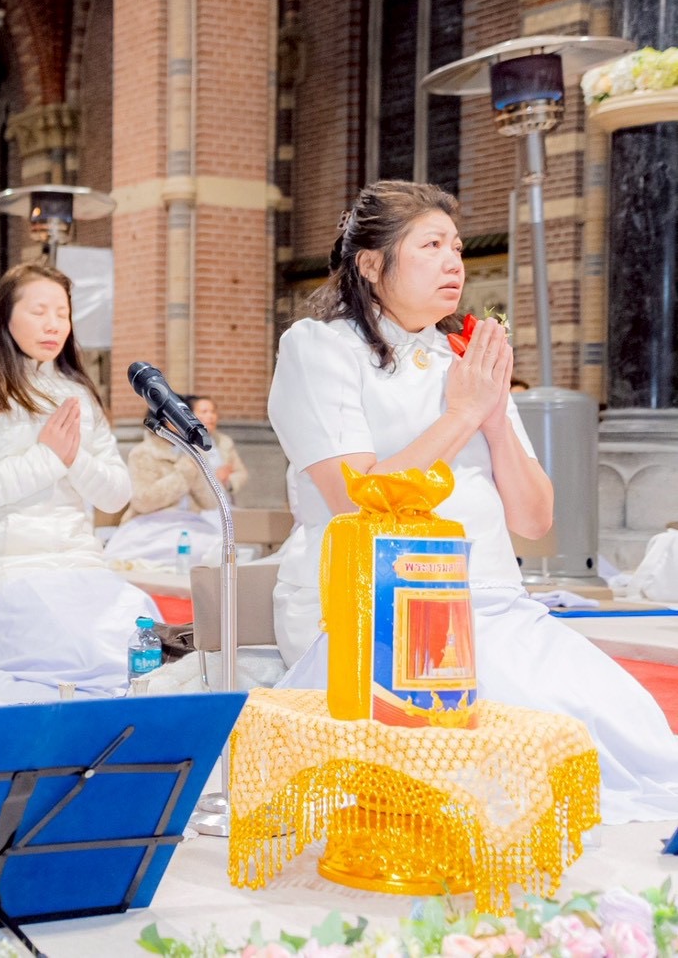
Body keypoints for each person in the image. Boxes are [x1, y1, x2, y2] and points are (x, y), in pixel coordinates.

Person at [269, 179, 678, 824]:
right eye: (431, 245)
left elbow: (535, 520)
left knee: (618, 717)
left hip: (491, 597)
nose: (453, 263)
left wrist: (493, 419)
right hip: (376, 602)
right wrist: (462, 414)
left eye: (457, 247)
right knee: (519, 729)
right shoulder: (318, 347)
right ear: (371, 264)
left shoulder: (464, 357)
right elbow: (356, 497)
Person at [0, 263, 160, 704]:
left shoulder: (78, 393)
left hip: (77, 561)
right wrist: (47, 458)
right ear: (5, 316)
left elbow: (117, 494)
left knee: (135, 622)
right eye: (39, 311)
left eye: (62, 314)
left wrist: (72, 457)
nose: (53, 325)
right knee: (61, 636)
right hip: (1, 564)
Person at [104, 394, 249, 567]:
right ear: (164, 419)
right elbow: (143, 501)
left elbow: (210, 502)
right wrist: (184, 472)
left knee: (222, 553)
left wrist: (197, 472)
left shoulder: (195, 453)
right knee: (168, 551)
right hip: (151, 524)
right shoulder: (143, 453)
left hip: (192, 523)